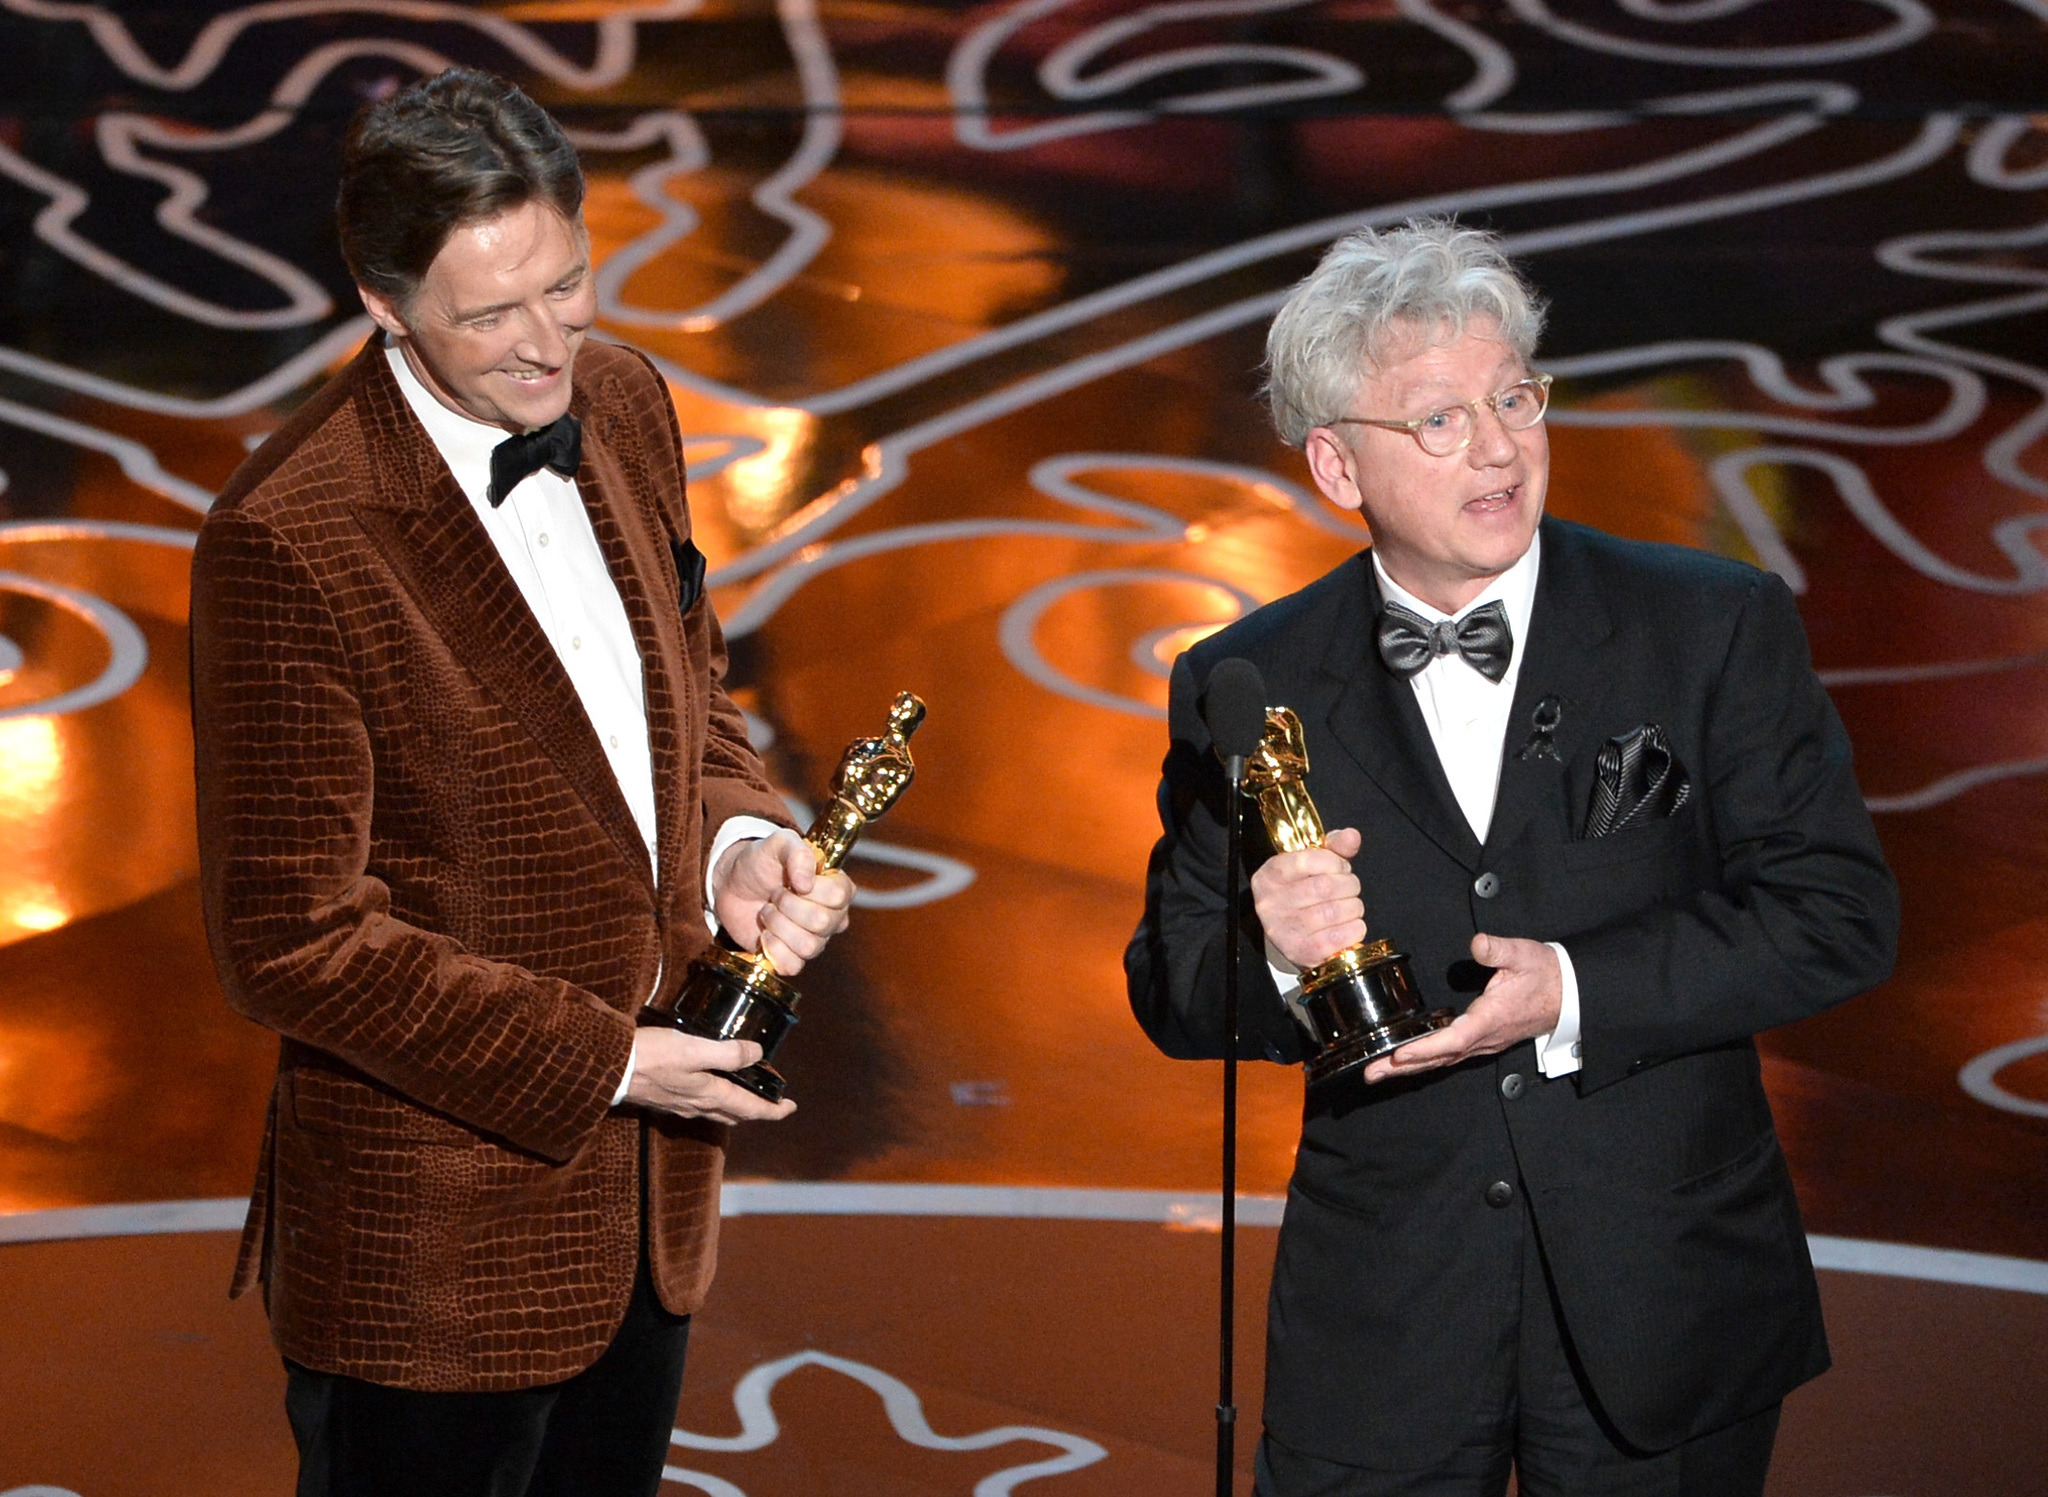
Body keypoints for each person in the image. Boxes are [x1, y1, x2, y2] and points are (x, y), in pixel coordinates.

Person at [1126, 218, 1898, 1496]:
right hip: (1383, 1326)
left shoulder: (1709, 624)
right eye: (1438, 421)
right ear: (1334, 464)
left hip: (1665, 1303)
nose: (1495, 449)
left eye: (1514, 398)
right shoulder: (1248, 682)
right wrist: (1267, 951)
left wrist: (1573, 993)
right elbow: (1171, 982)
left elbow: (1835, 913)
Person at [190, 68, 852, 1497]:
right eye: (492, 315)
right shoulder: (289, 539)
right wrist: (610, 1059)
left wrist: (733, 834)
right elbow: (289, 938)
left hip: (646, 1224)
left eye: (570, 284)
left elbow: (689, 690)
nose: (548, 345)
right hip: (434, 1270)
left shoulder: (622, 400)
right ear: (382, 304)